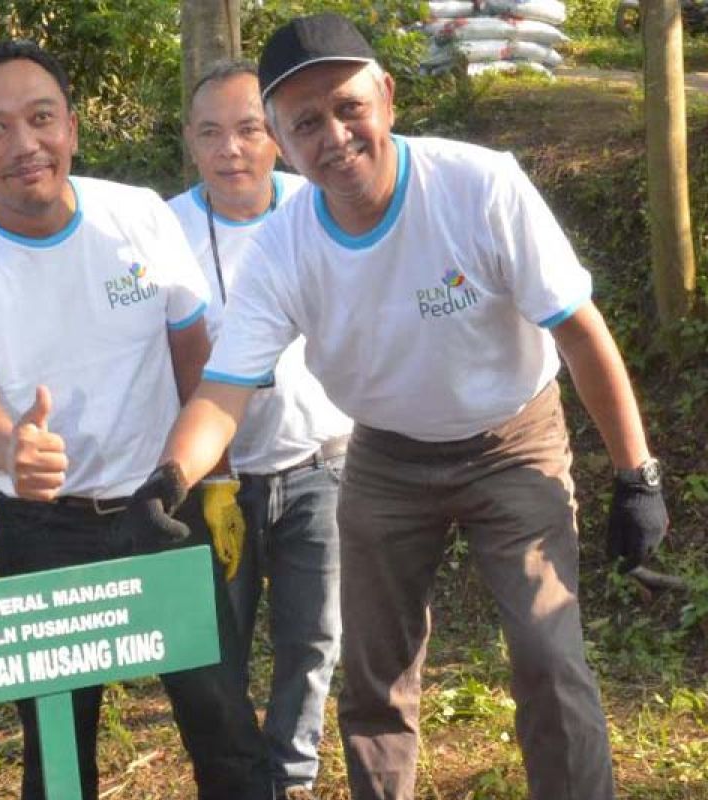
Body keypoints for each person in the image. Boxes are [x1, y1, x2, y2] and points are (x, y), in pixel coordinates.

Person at [120, 13, 670, 800]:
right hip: (383, 455)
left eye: (348, 107)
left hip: (512, 439)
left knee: (550, 656)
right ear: (281, 136)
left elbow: (579, 332)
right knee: (374, 674)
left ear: (386, 95)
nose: (335, 136)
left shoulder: (478, 186)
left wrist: (636, 474)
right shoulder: (285, 246)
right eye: (306, 122)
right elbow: (224, 388)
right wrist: (169, 477)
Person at [0, 40, 269, 800]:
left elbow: (194, 357)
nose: (25, 144)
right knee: (59, 755)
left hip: (163, 508)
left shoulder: (135, 217)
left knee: (225, 725)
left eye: (41, 118)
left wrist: (219, 482)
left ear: (71, 125)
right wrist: (10, 444)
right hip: (44, 530)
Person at [167, 58, 352, 800]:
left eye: (248, 129)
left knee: (314, 638)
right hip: (219, 476)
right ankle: (234, 781)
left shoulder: (322, 207)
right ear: (190, 143)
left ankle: (292, 778)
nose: (230, 150)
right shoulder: (165, 229)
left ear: (276, 135)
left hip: (322, 462)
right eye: (211, 133)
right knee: (218, 647)